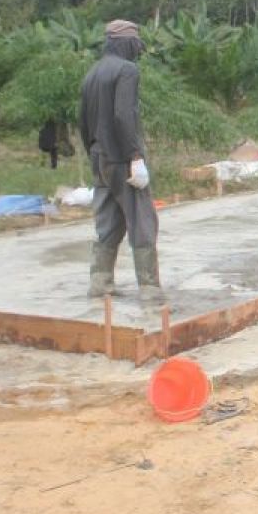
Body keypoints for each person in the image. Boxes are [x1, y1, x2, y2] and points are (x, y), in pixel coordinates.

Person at [79, 19, 163, 303]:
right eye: (136, 44)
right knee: (142, 218)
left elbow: (83, 121)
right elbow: (123, 115)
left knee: (108, 220)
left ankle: (100, 283)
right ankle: (149, 287)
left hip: (98, 156)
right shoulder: (127, 70)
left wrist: (94, 152)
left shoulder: (92, 72)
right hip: (121, 158)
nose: (138, 50)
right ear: (126, 43)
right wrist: (135, 156)